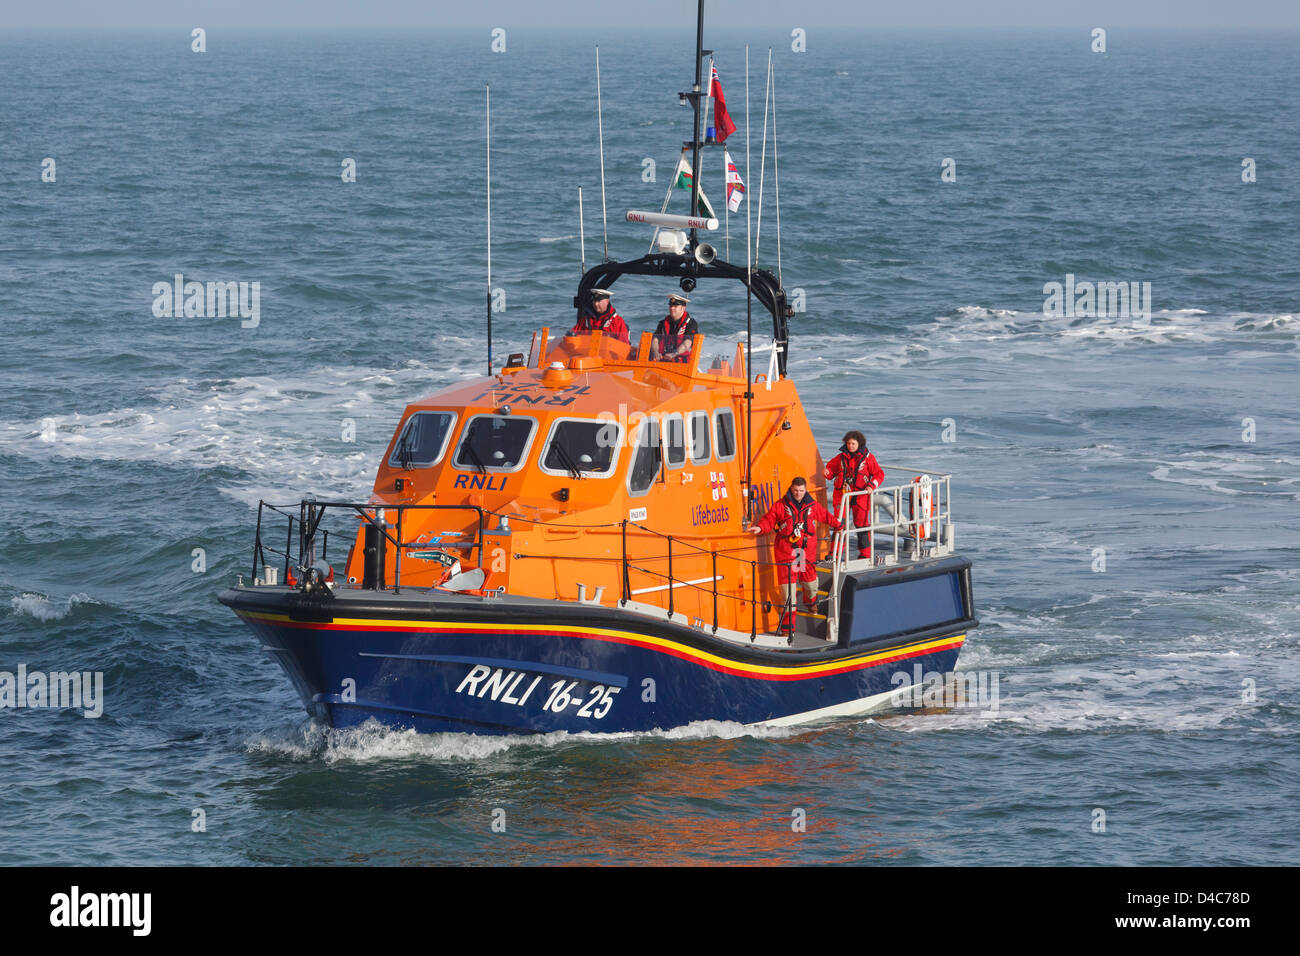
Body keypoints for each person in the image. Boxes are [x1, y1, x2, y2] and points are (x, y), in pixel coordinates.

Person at [747, 477, 842, 636]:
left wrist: (838, 525)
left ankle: (811, 601)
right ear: (791, 489)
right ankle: (787, 631)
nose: (798, 494)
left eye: (801, 491)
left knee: (811, 584)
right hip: (786, 554)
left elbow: (825, 516)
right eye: (795, 491)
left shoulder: (812, 506)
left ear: (805, 490)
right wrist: (760, 528)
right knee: (788, 595)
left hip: (806, 553)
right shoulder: (780, 506)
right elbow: (769, 519)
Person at [823, 430, 893, 558]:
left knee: (861, 524)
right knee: (839, 524)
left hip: (861, 496)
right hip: (842, 495)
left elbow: (879, 474)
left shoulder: (868, 459)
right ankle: (835, 554)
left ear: (859, 444)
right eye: (848, 443)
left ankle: (865, 554)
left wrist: (871, 486)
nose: (850, 446)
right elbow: (831, 470)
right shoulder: (841, 458)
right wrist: (827, 472)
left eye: (853, 443)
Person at [649, 293, 698, 362]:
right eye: (671, 305)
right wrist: (656, 352)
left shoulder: (691, 323)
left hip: (682, 362)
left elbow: (688, 342)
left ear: (683, 308)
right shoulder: (662, 323)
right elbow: (655, 339)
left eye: (675, 306)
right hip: (662, 359)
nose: (672, 308)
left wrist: (674, 354)